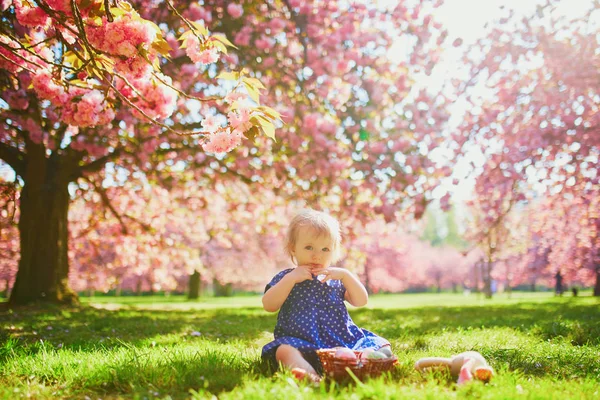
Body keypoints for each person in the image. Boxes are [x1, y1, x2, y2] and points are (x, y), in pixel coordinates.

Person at [261, 209, 390, 382]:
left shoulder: (335, 279)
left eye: (325, 249)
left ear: (334, 252)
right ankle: (310, 375)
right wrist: (290, 279)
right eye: (308, 247)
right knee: (284, 351)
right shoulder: (286, 278)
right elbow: (269, 305)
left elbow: (361, 301)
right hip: (302, 343)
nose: (317, 255)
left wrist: (347, 276)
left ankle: (361, 363)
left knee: (379, 345)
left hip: (341, 343)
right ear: (293, 248)